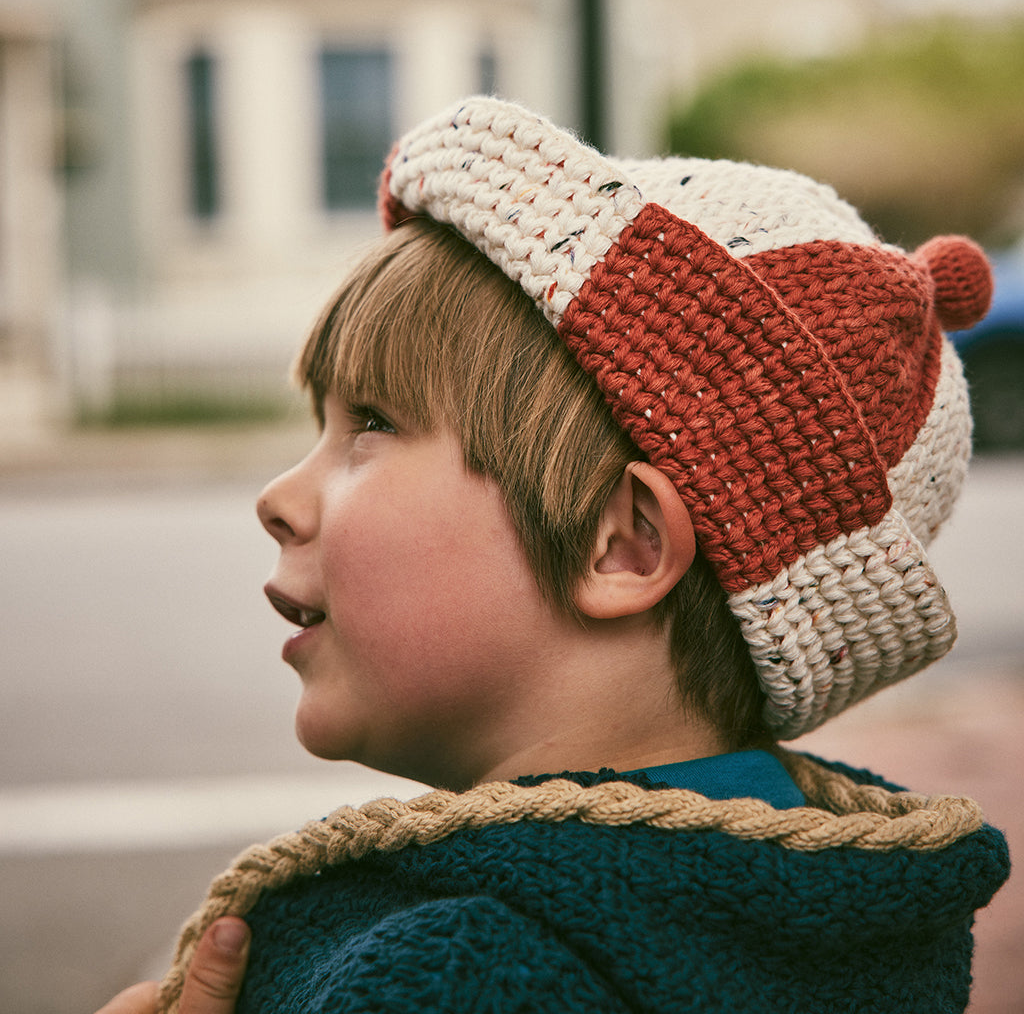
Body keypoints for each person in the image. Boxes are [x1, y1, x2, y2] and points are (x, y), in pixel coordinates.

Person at [99, 97, 1009, 1014]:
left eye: (370, 425)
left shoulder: (454, 974)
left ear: (620, 544)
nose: (278, 498)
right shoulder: (845, 909)